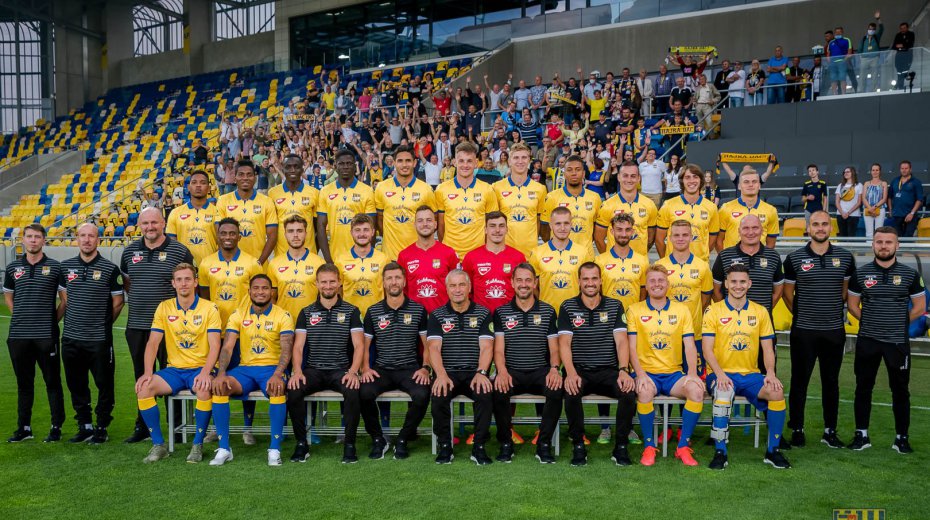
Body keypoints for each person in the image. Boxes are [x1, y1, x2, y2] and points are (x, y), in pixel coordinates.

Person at [702, 264, 791, 470]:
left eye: (742, 282)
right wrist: (720, 374)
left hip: (751, 375)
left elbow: (768, 348)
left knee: (776, 391)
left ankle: (773, 451)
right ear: (726, 284)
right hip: (721, 374)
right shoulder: (713, 311)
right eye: (733, 281)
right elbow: (707, 349)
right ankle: (720, 452)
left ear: (749, 284)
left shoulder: (760, 311)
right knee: (723, 392)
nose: (738, 286)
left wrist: (770, 373)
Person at [846, 227, 924, 454]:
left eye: (888, 242)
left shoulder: (910, 274)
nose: (883, 246)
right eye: (879, 242)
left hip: (897, 342)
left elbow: (920, 307)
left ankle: (902, 438)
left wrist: (898, 323)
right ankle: (861, 435)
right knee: (863, 388)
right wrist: (871, 321)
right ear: (873, 245)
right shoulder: (861, 274)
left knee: (900, 390)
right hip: (867, 340)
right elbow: (852, 305)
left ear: (897, 245)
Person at [134, 263, 221, 463]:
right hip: (174, 370)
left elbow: (215, 345)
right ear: (173, 283)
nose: (184, 284)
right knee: (144, 389)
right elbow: (153, 343)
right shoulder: (164, 307)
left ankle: (197, 444)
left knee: (204, 389)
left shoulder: (209, 308)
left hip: (200, 368)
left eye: (188, 279)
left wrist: (206, 372)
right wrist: (148, 372)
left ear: (195, 282)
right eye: (179, 280)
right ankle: (159, 445)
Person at [120, 207, 194, 443]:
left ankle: (177, 428)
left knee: (174, 375)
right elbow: (129, 283)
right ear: (139, 226)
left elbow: (186, 283)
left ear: (163, 223)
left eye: (154, 222)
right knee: (142, 375)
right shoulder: (129, 252)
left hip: (172, 328)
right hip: (138, 325)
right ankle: (143, 426)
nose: (150, 227)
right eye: (145, 223)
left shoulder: (180, 251)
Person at [782, 211, 856, 448]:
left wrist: (829, 310)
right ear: (808, 228)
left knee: (831, 382)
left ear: (831, 228)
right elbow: (787, 294)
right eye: (816, 224)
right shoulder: (794, 258)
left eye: (825, 224)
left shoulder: (845, 257)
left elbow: (845, 291)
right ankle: (797, 429)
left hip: (834, 330)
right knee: (799, 381)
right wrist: (804, 314)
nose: (820, 228)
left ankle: (829, 431)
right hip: (804, 331)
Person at [209, 275, 294, 466]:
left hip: (271, 369)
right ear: (249, 292)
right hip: (245, 370)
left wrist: (278, 374)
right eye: (256, 288)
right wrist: (221, 373)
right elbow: (227, 347)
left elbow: (287, 348)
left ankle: (274, 449)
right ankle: (224, 448)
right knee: (220, 387)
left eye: (265, 288)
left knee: (276, 389)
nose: (260, 292)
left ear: (271, 292)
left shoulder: (283, 315)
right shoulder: (238, 314)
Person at [286, 264, 366, 464]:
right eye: (324, 282)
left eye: (332, 281)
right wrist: (297, 371)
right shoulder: (306, 312)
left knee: (353, 390)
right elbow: (298, 347)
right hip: (314, 370)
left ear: (339, 283)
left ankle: (349, 445)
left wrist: (353, 372)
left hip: (341, 370)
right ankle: (301, 444)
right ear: (316, 284)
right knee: (294, 389)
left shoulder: (352, 311)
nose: (328, 286)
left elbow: (359, 345)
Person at [558, 262, 635, 466]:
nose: (590, 283)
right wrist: (570, 373)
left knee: (628, 392)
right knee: (571, 391)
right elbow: (564, 343)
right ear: (579, 281)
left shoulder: (615, 305)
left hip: (608, 370)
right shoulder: (567, 306)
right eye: (585, 279)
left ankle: (621, 447)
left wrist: (623, 370)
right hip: (579, 370)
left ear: (601, 281)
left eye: (594, 278)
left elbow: (621, 341)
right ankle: (578, 445)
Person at [626, 265, 703, 466]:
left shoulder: (682, 310)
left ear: (668, 284)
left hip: (673, 374)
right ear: (646, 285)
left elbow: (690, 345)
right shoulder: (635, 310)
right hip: (646, 373)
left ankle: (682, 447)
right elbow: (631, 347)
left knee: (696, 391)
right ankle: (649, 447)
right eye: (652, 280)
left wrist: (692, 373)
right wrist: (640, 374)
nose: (657, 284)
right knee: (644, 392)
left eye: (661, 280)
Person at [197, 217, 264, 445]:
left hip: (244, 333)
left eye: (232, 233)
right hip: (216, 335)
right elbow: (205, 298)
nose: (228, 237)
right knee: (216, 379)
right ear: (218, 236)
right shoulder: (206, 264)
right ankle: (216, 427)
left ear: (239, 236)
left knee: (246, 378)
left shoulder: (252, 263)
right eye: (223, 233)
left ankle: (247, 428)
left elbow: (259, 296)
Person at [359, 262, 431, 460]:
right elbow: (365, 345)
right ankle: (378, 439)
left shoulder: (418, 310)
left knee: (422, 394)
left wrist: (425, 368)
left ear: (404, 281)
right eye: (389, 278)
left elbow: (428, 345)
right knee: (363, 392)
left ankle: (403, 439)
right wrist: (365, 368)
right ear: (383, 283)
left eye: (397, 277)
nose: (393, 282)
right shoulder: (373, 311)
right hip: (382, 369)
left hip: (410, 368)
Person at [491, 263, 563, 463]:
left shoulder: (548, 311)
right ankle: (506, 443)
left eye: (528, 280)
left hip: (540, 370)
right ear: (512, 283)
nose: (524, 284)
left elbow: (554, 349)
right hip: (512, 371)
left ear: (535, 283)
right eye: (519, 280)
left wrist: (554, 369)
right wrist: (502, 371)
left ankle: (544, 444)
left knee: (556, 389)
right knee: (498, 389)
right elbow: (498, 350)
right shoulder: (501, 312)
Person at [59, 223, 123, 444]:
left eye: (91, 236)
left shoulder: (110, 269)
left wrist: (102, 323)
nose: (87, 240)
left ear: (98, 240)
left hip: (98, 340)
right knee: (75, 383)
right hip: (71, 338)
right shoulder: (65, 267)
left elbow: (118, 302)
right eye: (83, 236)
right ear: (77, 239)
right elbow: (65, 297)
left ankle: (102, 426)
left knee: (104, 383)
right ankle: (84, 425)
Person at [4, 224, 67, 443]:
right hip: (18, 336)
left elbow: (64, 300)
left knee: (52, 382)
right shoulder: (13, 268)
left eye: (37, 237)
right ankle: (24, 428)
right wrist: (20, 316)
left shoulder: (55, 267)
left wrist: (52, 321)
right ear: (23, 239)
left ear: (44, 240)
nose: (33, 240)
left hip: (46, 336)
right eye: (29, 236)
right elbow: (9, 296)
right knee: (24, 384)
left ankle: (56, 427)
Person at [428, 269, 496, 465]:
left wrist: (482, 372)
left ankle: (479, 447)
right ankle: (445, 446)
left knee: (484, 393)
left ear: (469, 287)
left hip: (474, 372)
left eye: (461, 285)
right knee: (439, 393)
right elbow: (433, 348)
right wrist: (441, 375)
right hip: (447, 372)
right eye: (453, 286)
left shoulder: (483, 313)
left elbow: (487, 347)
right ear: (446, 289)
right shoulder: (437, 315)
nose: (457, 290)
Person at [655, 220, 713, 374]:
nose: (680, 238)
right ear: (670, 238)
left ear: (691, 237)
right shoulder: (660, 266)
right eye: (676, 235)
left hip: (694, 332)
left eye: (685, 235)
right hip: (667, 332)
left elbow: (705, 299)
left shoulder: (703, 266)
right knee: (668, 376)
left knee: (696, 378)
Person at [435, 142, 499, 259]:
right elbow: (441, 226)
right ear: (455, 162)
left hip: (478, 256)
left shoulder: (487, 189)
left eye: (469, 161)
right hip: (450, 256)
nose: (465, 165)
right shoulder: (441, 189)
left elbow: (491, 226)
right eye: (461, 161)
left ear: (476, 163)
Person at [374, 145, 437, 261]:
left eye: (408, 161)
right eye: (400, 161)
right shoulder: (381, 187)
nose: (404, 165)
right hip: (390, 256)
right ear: (394, 163)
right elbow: (379, 220)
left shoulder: (426, 189)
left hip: (418, 256)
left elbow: (433, 220)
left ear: (414, 163)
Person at [712, 215, 784, 316]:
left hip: (763, 321)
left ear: (762, 230)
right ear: (739, 231)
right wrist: (728, 312)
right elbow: (716, 291)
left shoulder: (773, 256)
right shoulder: (724, 256)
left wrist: (761, 313)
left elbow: (778, 292)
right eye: (745, 228)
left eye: (755, 228)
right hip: (731, 321)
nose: (750, 232)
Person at [397, 205, 461, 313]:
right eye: (420, 221)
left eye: (429, 220)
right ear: (414, 225)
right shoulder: (404, 255)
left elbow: (458, 287)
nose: (425, 224)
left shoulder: (449, 253)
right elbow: (402, 290)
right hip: (415, 316)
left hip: (443, 316)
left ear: (435, 224)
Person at [316, 149, 377, 263]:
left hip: (361, 257)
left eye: (349, 163)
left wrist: (368, 257)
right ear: (335, 166)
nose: (345, 167)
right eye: (341, 164)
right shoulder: (325, 191)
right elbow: (320, 226)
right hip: (335, 256)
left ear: (354, 166)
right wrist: (328, 260)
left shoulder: (367, 190)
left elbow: (372, 226)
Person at [529, 206, 594, 311]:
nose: (562, 228)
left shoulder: (583, 252)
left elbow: (588, 285)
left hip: (575, 312)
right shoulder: (537, 253)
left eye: (566, 223)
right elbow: (532, 286)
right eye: (558, 224)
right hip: (547, 313)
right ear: (550, 226)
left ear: (571, 225)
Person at [462, 212, 527, 314]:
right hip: (481, 316)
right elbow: (467, 290)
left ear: (507, 229)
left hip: (510, 316)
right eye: (492, 226)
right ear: (485, 230)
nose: (497, 230)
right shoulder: (471, 257)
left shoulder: (518, 257)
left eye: (501, 226)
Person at [216, 159, 278, 265]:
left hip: (259, 263)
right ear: (235, 178)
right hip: (232, 265)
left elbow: (272, 236)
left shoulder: (266, 201)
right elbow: (219, 234)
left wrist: (259, 262)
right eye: (241, 174)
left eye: (249, 175)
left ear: (255, 178)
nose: (245, 178)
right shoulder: (223, 200)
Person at [266, 215, 326, 319]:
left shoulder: (319, 262)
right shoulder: (274, 264)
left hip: (311, 321)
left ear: (306, 233)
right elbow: (271, 297)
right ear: (285, 234)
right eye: (290, 231)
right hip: (284, 323)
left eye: (299, 231)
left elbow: (324, 297)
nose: (295, 235)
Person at [656, 164, 719, 261]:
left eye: (695, 177)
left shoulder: (712, 207)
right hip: (673, 266)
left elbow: (712, 239)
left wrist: (700, 258)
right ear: (682, 181)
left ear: (701, 180)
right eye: (687, 177)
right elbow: (659, 240)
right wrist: (667, 261)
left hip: (700, 265)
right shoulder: (668, 205)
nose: (691, 181)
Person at [594, 161, 657, 257]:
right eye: (625, 176)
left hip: (640, 263)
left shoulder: (649, 205)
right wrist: (610, 258)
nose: (629, 180)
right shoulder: (607, 205)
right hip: (614, 264)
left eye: (633, 176)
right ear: (619, 177)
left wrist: (639, 256)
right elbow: (599, 239)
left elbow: (651, 239)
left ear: (639, 178)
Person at [494, 143, 547, 256]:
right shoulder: (496, 187)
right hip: (504, 252)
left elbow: (538, 221)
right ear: (509, 161)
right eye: (516, 158)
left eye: (524, 157)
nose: (520, 161)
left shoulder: (540, 189)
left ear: (529, 161)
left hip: (530, 252)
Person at [541, 154, 602, 252]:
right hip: (560, 256)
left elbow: (596, 230)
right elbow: (544, 230)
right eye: (569, 170)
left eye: (578, 169)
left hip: (586, 256)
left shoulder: (595, 197)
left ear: (583, 173)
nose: (574, 173)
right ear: (564, 174)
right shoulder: (552, 197)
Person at [334, 214, 388, 318]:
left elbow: (387, 291)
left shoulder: (383, 259)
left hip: (377, 316)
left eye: (366, 230)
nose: (362, 234)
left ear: (373, 232)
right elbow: (338, 291)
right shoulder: (340, 260)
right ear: (351, 233)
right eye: (357, 230)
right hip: (350, 317)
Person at [594, 213, 647, 313]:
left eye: (627, 230)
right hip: (609, 315)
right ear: (612, 231)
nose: (623, 234)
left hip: (633, 315)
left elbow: (643, 291)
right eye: (619, 229)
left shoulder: (642, 261)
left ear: (632, 232)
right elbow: (597, 292)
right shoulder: (599, 260)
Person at [269, 154, 319, 256]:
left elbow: (318, 227)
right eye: (288, 167)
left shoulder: (314, 193)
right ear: (283, 169)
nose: (292, 170)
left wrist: (314, 251)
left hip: (308, 253)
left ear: (302, 169)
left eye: (296, 167)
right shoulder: (272, 193)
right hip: (282, 254)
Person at [166, 170, 218, 266]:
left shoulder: (218, 212)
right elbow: (172, 244)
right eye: (194, 182)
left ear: (208, 188)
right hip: (185, 268)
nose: (198, 185)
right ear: (189, 187)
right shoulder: (175, 213)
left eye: (202, 183)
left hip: (212, 267)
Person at [717, 169, 779, 250]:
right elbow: (718, 241)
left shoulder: (771, 210)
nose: (750, 185)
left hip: (759, 258)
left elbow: (771, 244)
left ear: (759, 185)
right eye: (746, 182)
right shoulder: (725, 208)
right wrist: (725, 257)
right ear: (739, 186)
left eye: (754, 182)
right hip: (731, 258)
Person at [887, 160, 922, 238]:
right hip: (896, 215)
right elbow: (889, 197)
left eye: (906, 168)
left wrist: (912, 213)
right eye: (902, 168)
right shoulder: (895, 181)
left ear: (910, 169)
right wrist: (890, 210)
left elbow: (919, 199)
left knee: (908, 238)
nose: (904, 170)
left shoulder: (916, 182)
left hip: (910, 215)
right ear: (900, 169)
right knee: (897, 238)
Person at [861, 163, 888, 238]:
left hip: (880, 209)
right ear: (871, 171)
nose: (875, 172)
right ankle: (869, 245)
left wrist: (874, 207)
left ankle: (878, 245)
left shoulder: (884, 183)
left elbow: (884, 199)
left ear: (880, 171)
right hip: (867, 209)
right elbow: (863, 198)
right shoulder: (866, 183)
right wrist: (870, 208)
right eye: (873, 170)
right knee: (869, 232)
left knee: (879, 231)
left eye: (877, 170)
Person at [859, 11, 884, 93]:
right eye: (870, 29)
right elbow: (859, 49)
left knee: (875, 75)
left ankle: (874, 91)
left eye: (873, 29)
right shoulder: (864, 38)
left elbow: (882, 28)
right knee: (862, 75)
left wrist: (878, 19)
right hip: (864, 58)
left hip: (874, 58)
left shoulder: (877, 37)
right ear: (867, 29)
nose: (871, 30)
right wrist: (860, 57)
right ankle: (861, 91)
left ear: (875, 30)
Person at [835, 166, 862, 237]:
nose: (845, 173)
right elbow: (837, 202)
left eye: (848, 172)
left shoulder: (859, 185)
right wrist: (842, 213)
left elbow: (859, 202)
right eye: (844, 172)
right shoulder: (840, 185)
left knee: (851, 236)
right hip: (840, 215)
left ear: (852, 173)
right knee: (842, 236)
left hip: (853, 215)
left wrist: (848, 213)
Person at [827, 27, 853, 95]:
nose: (838, 33)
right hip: (833, 64)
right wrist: (830, 61)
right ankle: (834, 94)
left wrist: (844, 61)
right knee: (833, 79)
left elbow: (849, 52)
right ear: (834, 33)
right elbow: (828, 54)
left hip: (842, 63)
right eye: (836, 32)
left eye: (839, 32)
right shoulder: (831, 42)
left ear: (842, 32)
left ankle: (843, 94)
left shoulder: (847, 40)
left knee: (842, 78)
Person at [892, 22, 915, 91]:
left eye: (904, 28)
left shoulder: (911, 34)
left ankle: (899, 86)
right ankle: (899, 86)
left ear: (907, 28)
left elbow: (910, 44)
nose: (903, 30)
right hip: (899, 56)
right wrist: (903, 45)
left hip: (907, 55)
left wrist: (901, 45)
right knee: (899, 72)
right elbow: (894, 46)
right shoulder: (898, 35)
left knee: (904, 71)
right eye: (901, 28)